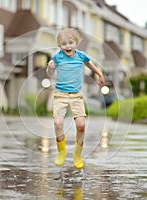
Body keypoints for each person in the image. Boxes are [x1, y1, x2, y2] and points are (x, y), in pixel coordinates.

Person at [46, 28, 105, 169]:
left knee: (81, 125)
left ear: (76, 43)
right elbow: (49, 73)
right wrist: (49, 67)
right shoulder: (58, 56)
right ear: (59, 45)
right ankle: (61, 152)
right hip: (60, 94)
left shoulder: (81, 56)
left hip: (76, 96)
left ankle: (77, 155)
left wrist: (100, 74)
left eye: (70, 43)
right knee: (58, 123)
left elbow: (91, 65)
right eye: (63, 44)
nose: (67, 46)